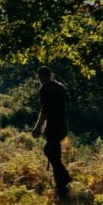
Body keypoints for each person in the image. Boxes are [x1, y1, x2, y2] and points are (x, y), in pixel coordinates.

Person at [32, 65, 73, 195]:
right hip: (62, 126)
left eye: (39, 77)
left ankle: (63, 181)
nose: (39, 80)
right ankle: (62, 185)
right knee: (54, 153)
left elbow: (45, 111)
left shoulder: (44, 89)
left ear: (42, 76)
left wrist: (37, 128)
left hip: (53, 127)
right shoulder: (60, 87)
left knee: (50, 151)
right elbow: (66, 101)